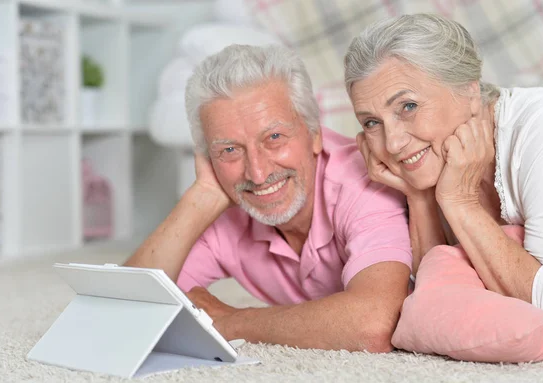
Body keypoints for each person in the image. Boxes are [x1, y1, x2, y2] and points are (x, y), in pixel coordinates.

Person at [125, 44, 413, 353]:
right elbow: (121, 311)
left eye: (274, 138)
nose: (258, 173)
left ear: (314, 133)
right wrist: (202, 196)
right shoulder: (225, 208)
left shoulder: (363, 182)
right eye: (230, 150)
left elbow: (373, 324)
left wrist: (231, 322)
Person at [343, 13, 543, 333]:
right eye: (371, 122)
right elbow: (434, 302)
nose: (392, 143)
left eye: (408, 106)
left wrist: (460, 202)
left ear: (470, 92)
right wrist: (419, 196)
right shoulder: (435, 157)